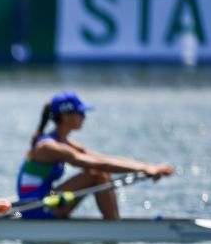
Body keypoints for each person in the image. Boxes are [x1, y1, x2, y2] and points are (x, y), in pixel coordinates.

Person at [17, 91, 173, 219]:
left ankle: (114, 224)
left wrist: (147, 167)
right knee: (95, 173)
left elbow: (103, 159)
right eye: (81, 113)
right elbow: (97, 165)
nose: (84, 117)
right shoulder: (48, 146)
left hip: (49, 198)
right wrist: (146, 168)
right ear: (65, 115)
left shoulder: (67, 143)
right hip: (34, 206)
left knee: (99, 172)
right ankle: (114, 227)